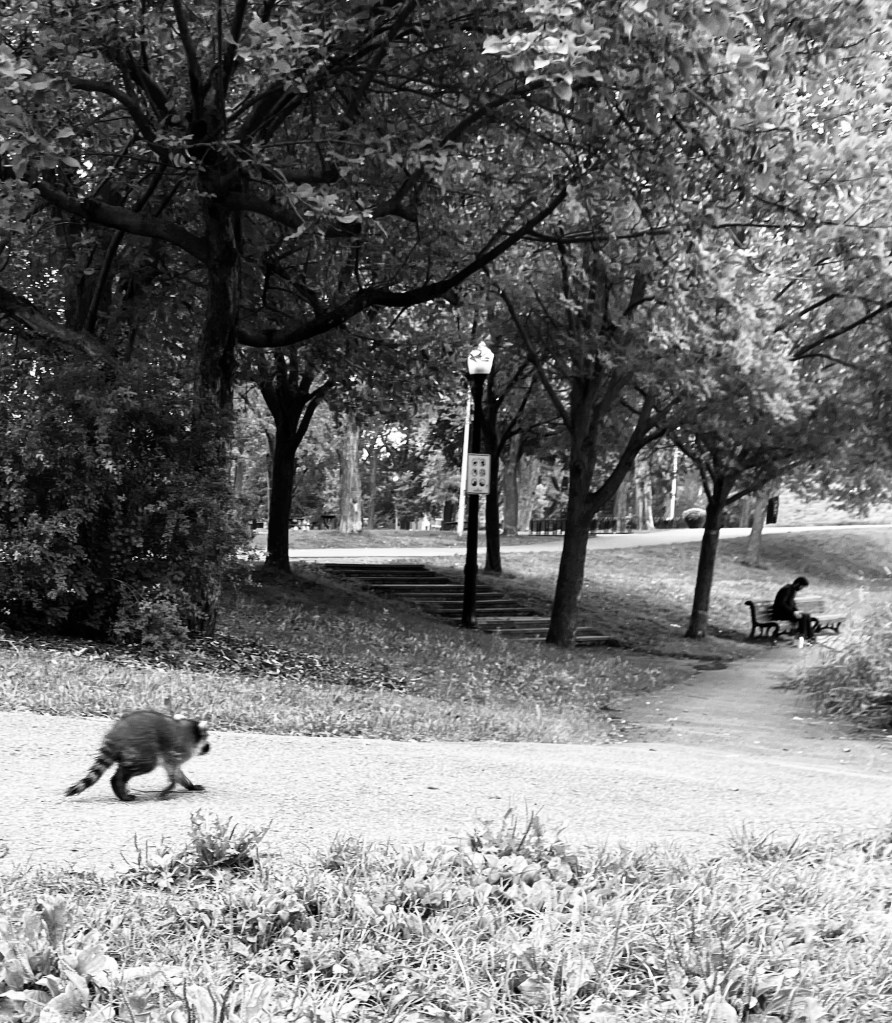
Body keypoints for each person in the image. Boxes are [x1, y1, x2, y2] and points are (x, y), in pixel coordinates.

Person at [772, 575, 815, 641]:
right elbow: (781, 603)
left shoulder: (792, 590)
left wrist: (797, 611)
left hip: (786, 613)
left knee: (806, 615)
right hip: (779, 614)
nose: (801, 589)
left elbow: (791, 604)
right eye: (802, 586)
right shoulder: (786, 589)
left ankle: (809, 636)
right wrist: (793, 612)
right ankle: (803, 637)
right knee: (803, 616)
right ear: (797, 584)